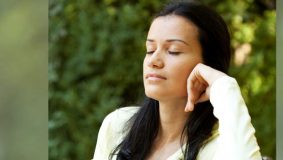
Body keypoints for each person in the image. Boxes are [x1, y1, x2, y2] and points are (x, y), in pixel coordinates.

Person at [93, 1, 262, 160]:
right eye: (150, 50)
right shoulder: (118, 127)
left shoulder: (221, 147)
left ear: (207, 66)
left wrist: (223, 86)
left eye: (173, 51)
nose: (154, 61)